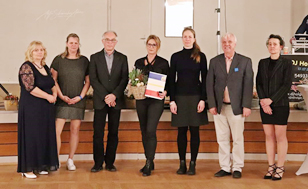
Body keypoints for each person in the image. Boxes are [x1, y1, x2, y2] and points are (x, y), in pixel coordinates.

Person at [206, 33, 253, 179]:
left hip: (237, 108)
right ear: (222, 44)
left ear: (235, 44)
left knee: (238, 139)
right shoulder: (214, 61)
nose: (227, 44)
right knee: (222, 139)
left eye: (230, 41)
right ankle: (225, 167)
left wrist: (246, 105)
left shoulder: (245, 61)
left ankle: (237, 167)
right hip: (219, 108)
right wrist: (212, 104)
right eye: (224, 41)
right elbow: (209, 84)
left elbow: (248, 85)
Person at [169, 27, 208, 175]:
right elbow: (171, 80)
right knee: (181, 132)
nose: (187, 38)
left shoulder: (201, 56)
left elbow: (205, 80)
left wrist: (203, 99)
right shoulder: (175, 56)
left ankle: (193, 164)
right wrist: (172, 100)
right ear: (182, 38)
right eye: (185, 36)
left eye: (190, 36)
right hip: (179, 97)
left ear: (194, 38)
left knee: (195, 131)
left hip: (196, 97)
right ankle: (182, 164)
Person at [17, 41, 59, 179]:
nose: (39, 52)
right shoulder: (26, 67)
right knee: (32, 137)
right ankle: (27, 169)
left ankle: (41, 166)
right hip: (31, 109)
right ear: (31, 52)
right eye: (36, 50)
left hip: (45, 109)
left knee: (43, 136)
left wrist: (54, 94)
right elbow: (30, 88)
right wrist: (48, 96)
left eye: (41, 50)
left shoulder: (45, 67)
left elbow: (52, 83)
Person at [89, 31, 128, 172]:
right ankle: (98, 163)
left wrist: (114, 96)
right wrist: (106, 96)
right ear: (102, 41)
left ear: (116, 42)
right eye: (107, 40)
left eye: (112, 40)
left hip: (115, 101)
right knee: (98, 133)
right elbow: (93, 79)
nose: (110, 42)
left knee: (113, 132)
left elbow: (124, 79)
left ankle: (110, 163)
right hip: (100, 101)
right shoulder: (94, 58)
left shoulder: (123, 58)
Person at [50, 33, 90, 171]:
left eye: (76, 43)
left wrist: (80, 97)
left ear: (79, 44)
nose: (73, 45)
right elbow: (53, 80)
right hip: (62, 100)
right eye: (71, 42)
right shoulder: (58, 60)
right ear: (66, 43)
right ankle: (55, 160)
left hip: (78, 101)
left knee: (75, 129)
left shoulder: (84, 61)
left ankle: (70, 159)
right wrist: (61, 96)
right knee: (57, 130)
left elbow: (88, 82)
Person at [256, 34, 292, 181]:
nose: (272, 46)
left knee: (280, 137)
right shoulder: (262, 63)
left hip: (280, 105)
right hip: (265, 106)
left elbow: (286, 85)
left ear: (281, 47)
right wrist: (264, 101)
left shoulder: (286, 63)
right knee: (269, 137)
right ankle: (271, 166)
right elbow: (258, 83)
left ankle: (280, 167)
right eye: (270, 44)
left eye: (275, 44)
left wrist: (270, 100)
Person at [135, 35, 169, 176]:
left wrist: (166, 91)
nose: (151, 47)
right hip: (141, 100)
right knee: (143, 130)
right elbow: (134, 80)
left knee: (150, 130)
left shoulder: (163, 63)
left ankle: (149, 162)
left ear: (158, 46)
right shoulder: (138, 62)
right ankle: (149, 159)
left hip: (156, 101)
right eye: (149, 44)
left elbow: (170, 82)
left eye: (154, 45)